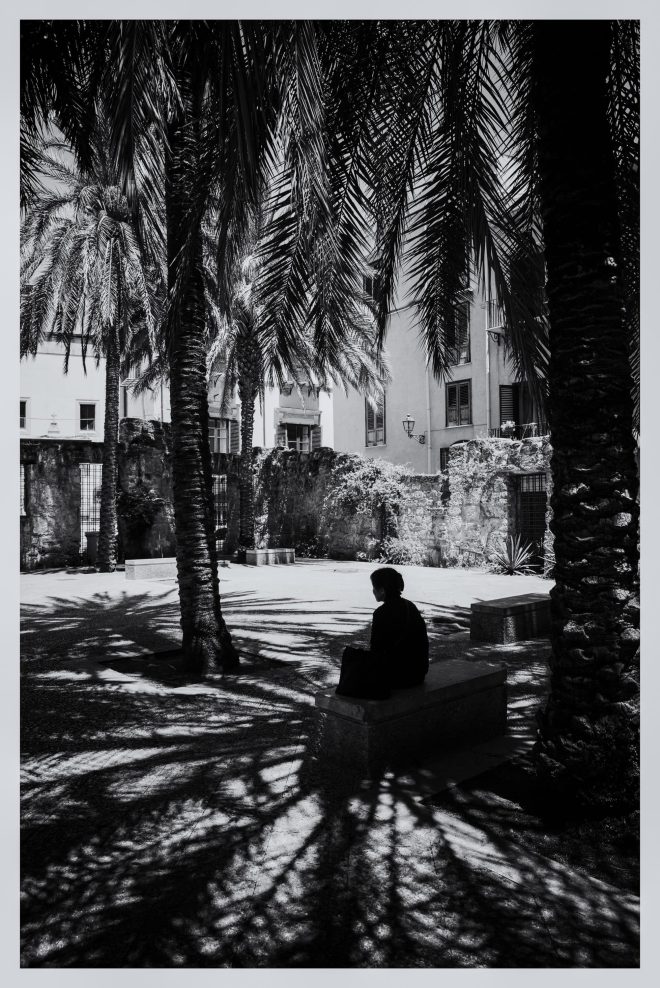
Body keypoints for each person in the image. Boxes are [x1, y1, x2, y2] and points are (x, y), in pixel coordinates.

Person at [336, 567, 429, 699]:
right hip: (417, 674)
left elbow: (377, 650)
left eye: (374, 587)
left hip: (395, 678)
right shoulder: (410, 606)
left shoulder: (381, 613)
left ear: (382, 591)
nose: (373, 591)